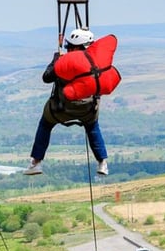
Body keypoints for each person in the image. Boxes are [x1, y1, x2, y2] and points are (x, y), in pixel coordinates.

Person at [24, 28, 110, 176]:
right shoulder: (97, 62)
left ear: (76, 46)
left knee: (45, 124)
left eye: (69, 46)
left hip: (61, 109)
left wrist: (55, 60)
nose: (68, 49)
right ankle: (102, 162)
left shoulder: (65, 62)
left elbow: (47, 77)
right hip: (88, 109)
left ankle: (36, 162)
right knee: (92, 127)